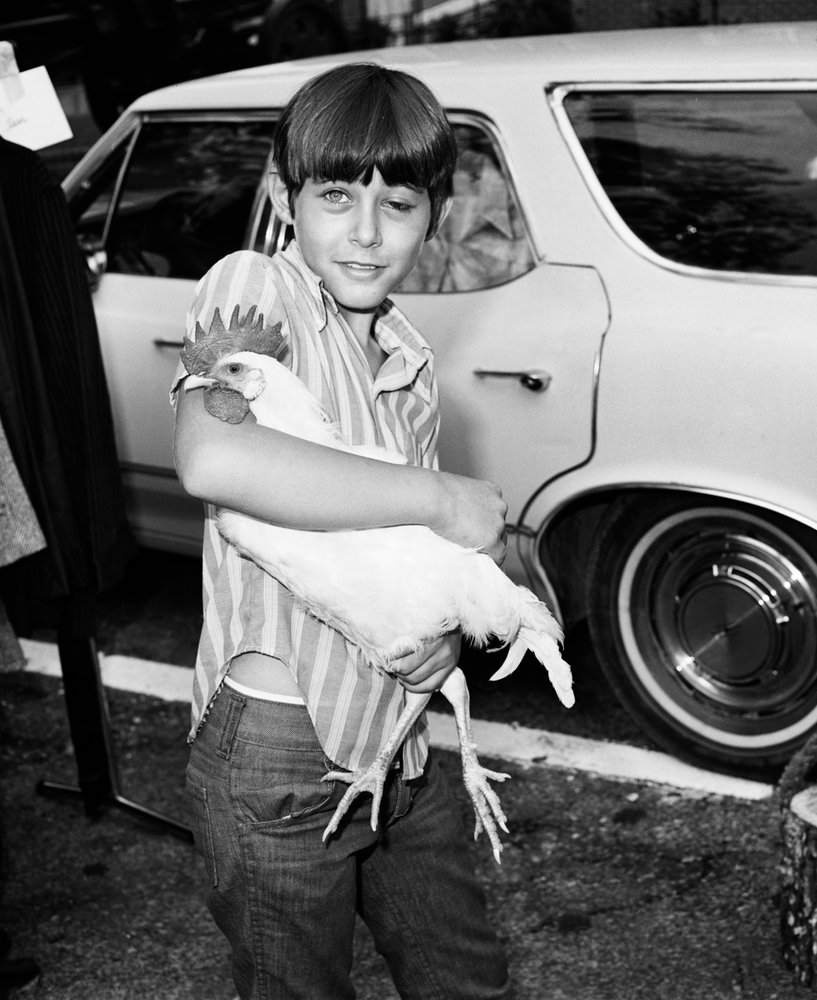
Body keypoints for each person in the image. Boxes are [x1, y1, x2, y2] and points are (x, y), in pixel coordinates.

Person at [172, 63, 512, 999]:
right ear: (285, 198)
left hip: (399, 742)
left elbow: (400, 553)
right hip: (281, 744)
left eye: (398, 203)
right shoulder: (258, 290)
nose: (366, 232)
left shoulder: (410, 354)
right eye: (335, 197)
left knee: (466, 976)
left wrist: (441, 636)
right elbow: (216, 463)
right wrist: (437, 496)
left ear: (435, 215)